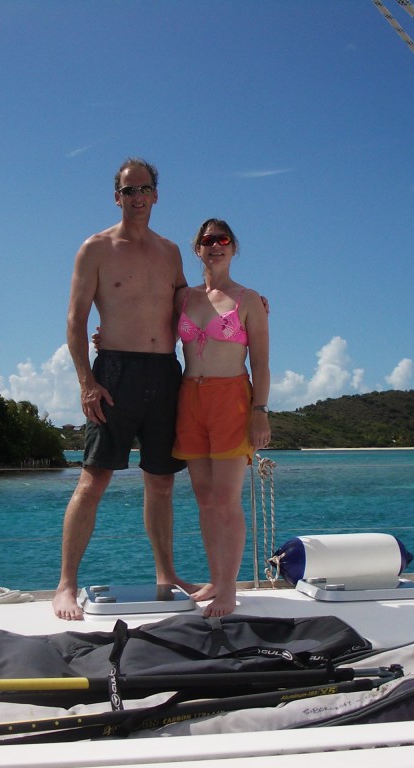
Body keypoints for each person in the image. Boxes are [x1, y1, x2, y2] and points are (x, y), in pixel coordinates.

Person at [53, 158, 193, 620]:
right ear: (117, 197)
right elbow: (75, 320)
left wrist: (245, 300)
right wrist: (86, 381)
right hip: (114, 373)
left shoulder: (171, 252)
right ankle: (66, 585)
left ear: (156, 195)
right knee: (93, 480)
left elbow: (189, 310)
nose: (137, 198)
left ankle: (166, 575)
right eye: (128, 190)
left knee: (162, 484)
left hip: (165, 373)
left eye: (144, 189)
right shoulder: (95, 248)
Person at [172, 218, 271, 617]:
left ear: (234, 248)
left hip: (231, 397)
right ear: (197, 248)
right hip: (189, 398)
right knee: (205, 500)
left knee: (227, 501)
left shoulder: (249, 300)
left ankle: (229, 588)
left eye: (223, 239)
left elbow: (262, 365)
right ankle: (216, 578)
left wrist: (260, 412)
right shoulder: (184, 297)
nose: (215, 245)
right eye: (207, 240)